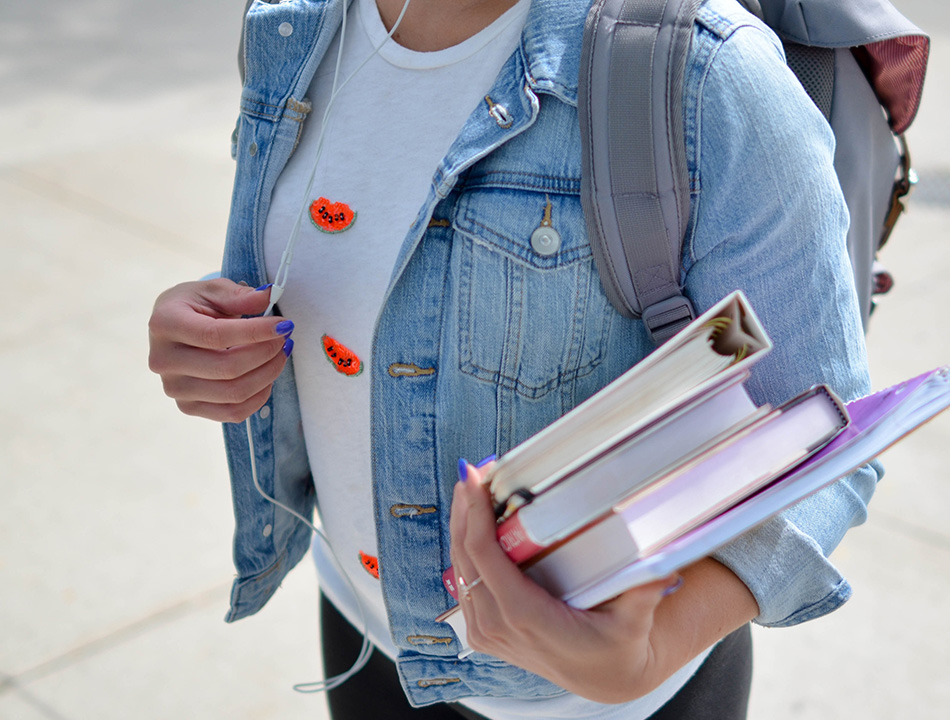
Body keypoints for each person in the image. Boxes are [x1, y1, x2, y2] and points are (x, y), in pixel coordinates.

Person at [146, 0, 882, 717]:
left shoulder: (707, 73)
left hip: (604, 706)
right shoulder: (292, 24)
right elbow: (323, 275)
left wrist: (653, 649)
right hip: (363, 630)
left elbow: (823, 436)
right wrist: (209, 338)